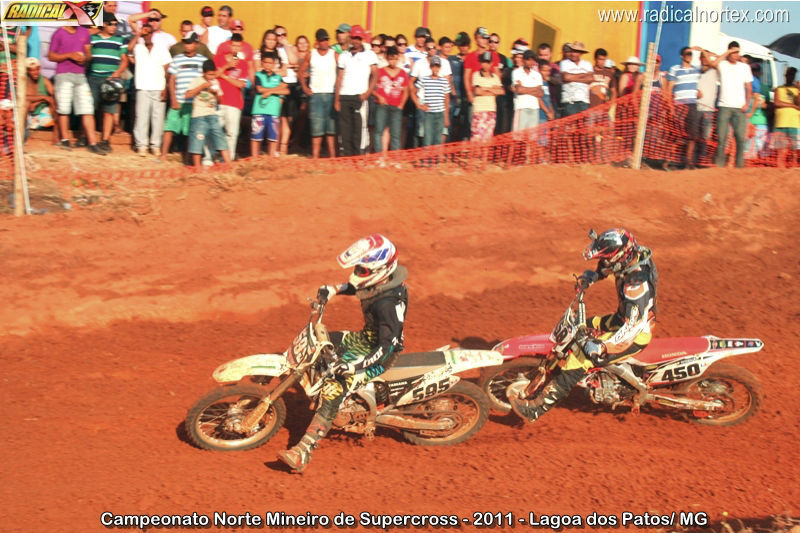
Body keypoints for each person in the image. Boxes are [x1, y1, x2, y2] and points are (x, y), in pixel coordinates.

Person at [278, 234, 408, 473]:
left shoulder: (388, 304)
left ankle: (303, 451)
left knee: (334, 388)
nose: (358, 272)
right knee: (322, 341)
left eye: (363, 269)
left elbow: (386, 347)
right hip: (366, 339)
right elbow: (360, 287)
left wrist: (355, 367)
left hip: (379, 354)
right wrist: (333, 289)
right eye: (358, 267)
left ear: (380, 270)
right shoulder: (382, 282)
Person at [509, 228, 657, 423]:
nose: (606, 262)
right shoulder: (634, 257)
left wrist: (602, 347)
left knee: (580, 359)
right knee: (584, 325)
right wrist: (593, 277)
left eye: (608, 258)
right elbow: (607, 267)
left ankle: (535, 410)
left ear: (621, 256)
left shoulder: (636, 286)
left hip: (633, 334)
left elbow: (632, 328)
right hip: (621, 318)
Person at [48, 23, 105, 154]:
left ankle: (92, 142)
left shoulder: (84, 32)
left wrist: (85, 58)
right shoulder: (59, 33)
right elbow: (51, 56)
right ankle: (65, 140)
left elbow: (89, 53)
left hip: (80, 74)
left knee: (87, 109)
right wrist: (69, 55)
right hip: (63, 74)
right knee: (64, 109)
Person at [160, 32, 206, 162]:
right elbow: (172, 80)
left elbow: (205, 79)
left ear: (196, 44)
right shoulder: (178, 58)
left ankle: (187, 158)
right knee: (169, 127)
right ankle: (163, 155)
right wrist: (173, 99)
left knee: (190, 131)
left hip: (194, 103)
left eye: (190, 42)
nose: (187, 45)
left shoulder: (202, 60)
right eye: (186, 42)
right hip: (179, 100)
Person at [88, 11, 129, 153]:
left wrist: (117, 73)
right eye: (111, 24)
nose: (114, 27)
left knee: (109, 111)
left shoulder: (120, 39)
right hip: (93, 78)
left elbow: (125, 60)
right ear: (104, 24)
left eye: (116, 24)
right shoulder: (93, 38)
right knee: (89, 110)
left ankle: (105, 140)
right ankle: (87, 137)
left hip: (111, 79)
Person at [334, 25, 377, 156]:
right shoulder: (344, 56)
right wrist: (337, 99)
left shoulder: (369, 55)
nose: (356, 41)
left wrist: (367, 93)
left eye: (358, 38)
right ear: (350, 38)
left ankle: (359, 155)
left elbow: (375, 75)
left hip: (360, 96)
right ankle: (347, 156)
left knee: (361, 127)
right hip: (344, 96)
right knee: (345, 128)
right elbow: (339, 78)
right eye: (354, 37)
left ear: (362, 38)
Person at [709, 42, 752, 168]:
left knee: (740, 138)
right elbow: (713, 64)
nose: (735, 55)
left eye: (737, 52)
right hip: (724, 106)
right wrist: (727, 52)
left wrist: (747, 104)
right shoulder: (722, 65)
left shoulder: (744, 67)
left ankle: (739, 167)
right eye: (733, 52)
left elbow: (749, 88)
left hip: (740, 107)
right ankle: (719, 166)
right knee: (721, 138)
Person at [130, 23, 171, 157]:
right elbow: (128, 49)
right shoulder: (138, 47)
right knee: (141, 116)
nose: (146, 35)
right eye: (144, 33)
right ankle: (141, 145)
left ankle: (155, 145)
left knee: (158, 118)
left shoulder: (161, 48)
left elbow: (166, 68)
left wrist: (165, 87)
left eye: (149, 33)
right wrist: (138, 34)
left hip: (158, 86)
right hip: (142, 86)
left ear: (152, 34)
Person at [299, 29, 339, 159]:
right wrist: (305, 88)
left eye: (326, 39)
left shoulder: (334, 54)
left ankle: (332, 157)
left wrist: (339, 93)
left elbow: (342, 73)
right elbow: (300, 72)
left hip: (331, 94)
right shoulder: (311, 55)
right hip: (315, 95)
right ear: (317, 41)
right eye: (322, 40)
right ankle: (315, 158)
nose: (325, 42)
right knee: (316, 129)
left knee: (331, 130)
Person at [185, 59, 231, 167]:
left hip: (212, 114)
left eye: (213, 74)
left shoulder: (216, 82)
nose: (212, 77)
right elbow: (187, 95)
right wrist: (201, 87)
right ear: (203, 73)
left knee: (220, 138)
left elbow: (220, 101)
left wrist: (215, 94)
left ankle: (229, 164)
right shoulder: (197, 80)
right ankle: (197, 167)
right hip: (199, 115)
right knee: (197, 139)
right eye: (209, 74)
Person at [665, 46, 703, 168]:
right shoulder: (675, 69)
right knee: (677, 134)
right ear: (682, 56)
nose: (690, 56)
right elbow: (669, 88)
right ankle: (669, 160)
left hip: (692, 105)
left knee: (692, 135)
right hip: (679, 105)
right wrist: (670, 106)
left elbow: (712, 63)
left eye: (691, 54)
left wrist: (701, 51)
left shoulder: (696, 70)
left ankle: (688, 161)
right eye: (687, 54)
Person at [251, 51, 289, 157]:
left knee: (273, 136)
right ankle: (254, 157)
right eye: (265, 62)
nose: (268, 65)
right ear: (262, 63)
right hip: (259, 109)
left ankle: (271, 156)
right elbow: (259, 88)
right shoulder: (258, 75)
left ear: (274, 64)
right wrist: (277, 88)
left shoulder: (277, 77)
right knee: (256, 135)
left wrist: (270, 91)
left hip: (273, 110)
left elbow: (286, 90)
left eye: (270, 63)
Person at [373, 46, 409, 152]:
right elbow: (371, 88)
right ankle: (379, 157)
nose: (393, 62)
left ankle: (395, 159)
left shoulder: (402, 73)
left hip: (396, 107)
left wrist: (402, 104)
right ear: (387, 58)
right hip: (382, 106)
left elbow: (406, 91)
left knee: (396, 134)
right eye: (391, 59)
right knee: (378, 131)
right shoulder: (380, 71)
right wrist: (379, 96)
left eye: (395, 59)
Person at [416, 55, 450, 147]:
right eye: (433, 66)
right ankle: (427, 160)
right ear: (430, 67)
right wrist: (420, 105)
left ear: (440, 67)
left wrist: (446, 116)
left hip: (440, 113)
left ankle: (436, 160)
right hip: (429, 114)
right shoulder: (424, 79)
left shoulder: (444, 81)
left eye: (437, 66)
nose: (435, 68)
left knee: (438, 139)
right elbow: (414, 91)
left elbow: (446, 99)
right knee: (428, 138)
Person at [471, 51, 503, 142]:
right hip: (479, 110)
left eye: (488, 62)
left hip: (491, 110)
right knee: (477, 138)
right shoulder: (476, 75)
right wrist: (492, 89)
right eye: (483, 62)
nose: (485, 65)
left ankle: (484, 157)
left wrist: (485, 89)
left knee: (488, 139)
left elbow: (501, 91)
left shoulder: (495, 77)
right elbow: (477, 91)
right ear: (481, 63)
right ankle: (476, 157)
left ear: (491, 63)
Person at [772, 67, 800, 168]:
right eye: (789, 74)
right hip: (781, 122)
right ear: (785, 76)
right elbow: (776, 102)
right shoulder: (779, 88)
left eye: (793, 75)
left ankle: (793, 168)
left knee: (794, 150)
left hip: (794, 122)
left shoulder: (797, 90)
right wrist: (792, 105)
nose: (791, 77)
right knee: (780, 149)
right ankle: (780, 169)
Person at [24, 58, 57, 141]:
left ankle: (57, 134)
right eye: (32, 70)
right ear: (28, 71)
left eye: (37, 69)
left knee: (54, 101)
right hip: (28, 114)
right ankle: (24, 133)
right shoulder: (24, 80)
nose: (35, 73)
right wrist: (43, 97)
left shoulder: (44, 80)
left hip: (42, 113)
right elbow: (23, 98)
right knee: (26, 103)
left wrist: (38, 102)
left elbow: (54, 94)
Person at [511, 49, 543, 132]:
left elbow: (540, 93)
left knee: (532, 138)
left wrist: (525, 89)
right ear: (523, 60)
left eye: (533, 60)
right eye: (529, 59)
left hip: (534, 108)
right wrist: (534, 89)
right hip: (521, 107)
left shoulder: (537, 75)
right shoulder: (516, 72)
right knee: (518, 136)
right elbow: (519, 89)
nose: (531, 62)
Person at [559, 41, 592, 117]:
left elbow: (590, 79)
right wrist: (585, 74)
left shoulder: (587, 64)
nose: (573, 54)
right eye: (572, 51)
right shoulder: (565, 63)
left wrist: (572, 77)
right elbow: (565, 77)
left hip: (584, 101)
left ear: (581, 53)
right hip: (569, 101)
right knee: (570, 127)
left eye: (576, 52)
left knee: (582, 127)